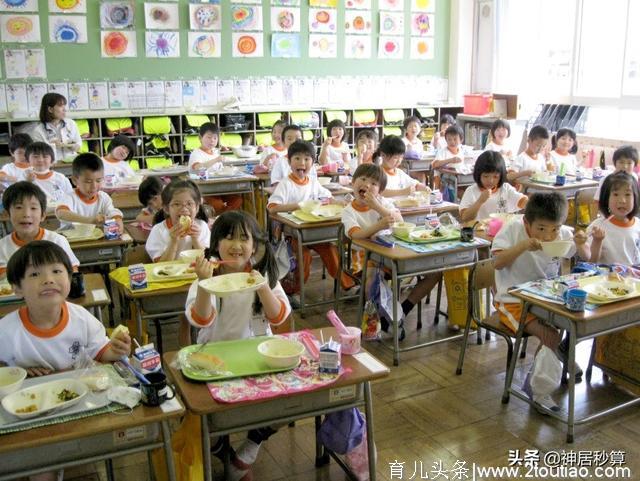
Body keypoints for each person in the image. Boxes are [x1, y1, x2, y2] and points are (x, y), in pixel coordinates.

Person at [186, 211, 291, 481]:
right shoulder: (207, 275)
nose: (236, 245)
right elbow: (201, 318)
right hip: (213, 360)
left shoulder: (262, 274)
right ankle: (225, 453)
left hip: (257, 356)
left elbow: (278, 317)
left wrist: (262, 286)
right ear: (216, 244)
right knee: (200, 421)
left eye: (244, 238)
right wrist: (203, 284)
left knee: (291, 403)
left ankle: (248, 448)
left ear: (254, 246)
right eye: (228, 237)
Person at [492, 192, 580, 409]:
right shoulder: (512, 229)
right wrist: (524, 245)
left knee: (567, 324)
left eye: (554, 229)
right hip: (511, 301)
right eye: (541, 229)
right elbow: (497, 263)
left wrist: (584, 240)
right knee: (550, 334)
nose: (549, 236)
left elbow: (580, 250)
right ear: (527, 222)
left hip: (544, 298)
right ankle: (539, 392)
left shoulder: (559, 231)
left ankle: (544, 373)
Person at [342, 163, 440, 337]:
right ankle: (376, 320)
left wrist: (378, 207)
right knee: (372, 278)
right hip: (365, 256)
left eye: (374, 183)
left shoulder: (383, 202)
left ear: (380, 191)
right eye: (363, 180)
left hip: (393, 252)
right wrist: (379, 224)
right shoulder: (349, 211)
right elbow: (356, 235)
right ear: (353, 183)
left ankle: (400, 312)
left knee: (436, 273)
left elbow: (399, 220)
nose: (367, 185)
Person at [267, 140, 354, 291]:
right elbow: (272, 208)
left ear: (313, 163)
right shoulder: (286, 184)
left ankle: (348, 285)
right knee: (303, 255)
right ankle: (293, 291)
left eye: (307, 159)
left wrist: (339, 202)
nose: (302, 163)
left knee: (330, 249)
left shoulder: (313, 182)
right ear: (289, 161)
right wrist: (298, 205)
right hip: (293, 234)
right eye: (297, 158)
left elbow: (327, 197)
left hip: (314, 230)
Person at [0, 182, 79, 277]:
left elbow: (72, 271)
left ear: (43, 215)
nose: (26, 214)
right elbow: (4, 279)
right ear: (7, 214)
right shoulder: (2, 247)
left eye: (33, 208)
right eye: (19, 207)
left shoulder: (57, 241)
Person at [575, 172, 640, 264]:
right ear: (606, 198)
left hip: (633, 277)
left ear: (635, 197)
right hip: (608, 277)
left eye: (628, 195)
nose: (622, 200)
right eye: (616, 194)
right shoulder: (597, 226)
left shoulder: (638, 225)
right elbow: (592, 261)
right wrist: (595, 241)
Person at [55, 153, 124, 234]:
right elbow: (61, 213)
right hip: (71, 241)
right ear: (74, 180)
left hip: (95, 239)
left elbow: (112, 212)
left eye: (98, 180)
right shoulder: (69, 197)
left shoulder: (103, 197)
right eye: (88, 181)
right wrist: (90, 220)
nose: (94, 186)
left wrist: (117, 219)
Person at [146, 180, 210, 262]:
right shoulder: (158, 230)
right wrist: (173, 241)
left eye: (189, 204)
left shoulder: (202, 226)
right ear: (166, 208)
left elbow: (206, 261)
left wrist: (195, 239)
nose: (184, 209)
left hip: (196, 273)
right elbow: (161, 265)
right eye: (177, 204)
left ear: (197, 207)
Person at [189, 122, 242, 214]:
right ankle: (218, 222)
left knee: (237, 200)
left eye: (215, 138)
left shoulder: (215, 152)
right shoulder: (196, 153)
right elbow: (197, 167)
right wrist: (216, 160)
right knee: (217, 205)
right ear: (200, 138)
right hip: (204, 191)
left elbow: (219, 168)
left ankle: (224, 220)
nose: (212, 141)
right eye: (209, 137)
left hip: (219, 188)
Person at [459, 151, 527, 223]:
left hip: (501, 232)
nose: (490, 181)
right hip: (478, 232)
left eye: (495, 177)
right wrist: (480, 201)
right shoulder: (471, 191)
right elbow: (465, 217)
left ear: (501, 176)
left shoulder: (505, 188)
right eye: (486, 176)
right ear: (478, 175)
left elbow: (523, 201)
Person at [30, 93, 81, 162]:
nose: (64, 109)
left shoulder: (71, 123)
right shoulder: (38, 131)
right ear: (50, 109)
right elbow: (39, 154)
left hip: (71, 163)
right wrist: (51, 145)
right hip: (52, 165)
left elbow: (78, 144)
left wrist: (73, 147)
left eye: (64, 106)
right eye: (60, 106)